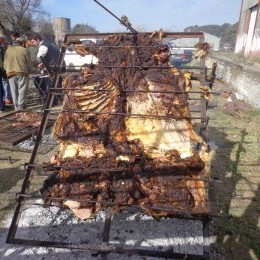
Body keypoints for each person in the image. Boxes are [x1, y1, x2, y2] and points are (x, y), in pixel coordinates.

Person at [29, 33, 61, 105]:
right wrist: (43, 63)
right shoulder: (51, 44)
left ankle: (52, 102)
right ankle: (56, 98)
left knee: (47, 84)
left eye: (33, 41)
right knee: (55, 83)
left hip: (51, 68)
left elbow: (39, 58)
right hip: (57, 66)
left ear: (37, 39)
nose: (33, 43)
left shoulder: (43, 46)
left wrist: (33, 64)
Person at [4, 37, 32, 110]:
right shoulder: (25, 50)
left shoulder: (8, 51)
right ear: (22, 43)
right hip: (22, 72)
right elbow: (29, 63)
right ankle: (20, 107)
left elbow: (5, 64)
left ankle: (16, 107)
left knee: (14, 91)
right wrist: (31, 70)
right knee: (22, 90)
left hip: (10, 73)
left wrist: (7, 70)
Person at [0, 34, 7, 112]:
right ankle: (1, 107)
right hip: (0, 71)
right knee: (1, 89)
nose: (4, 41)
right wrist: (4, 73)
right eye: (3, 40)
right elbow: (1, 63)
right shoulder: (1, 49)